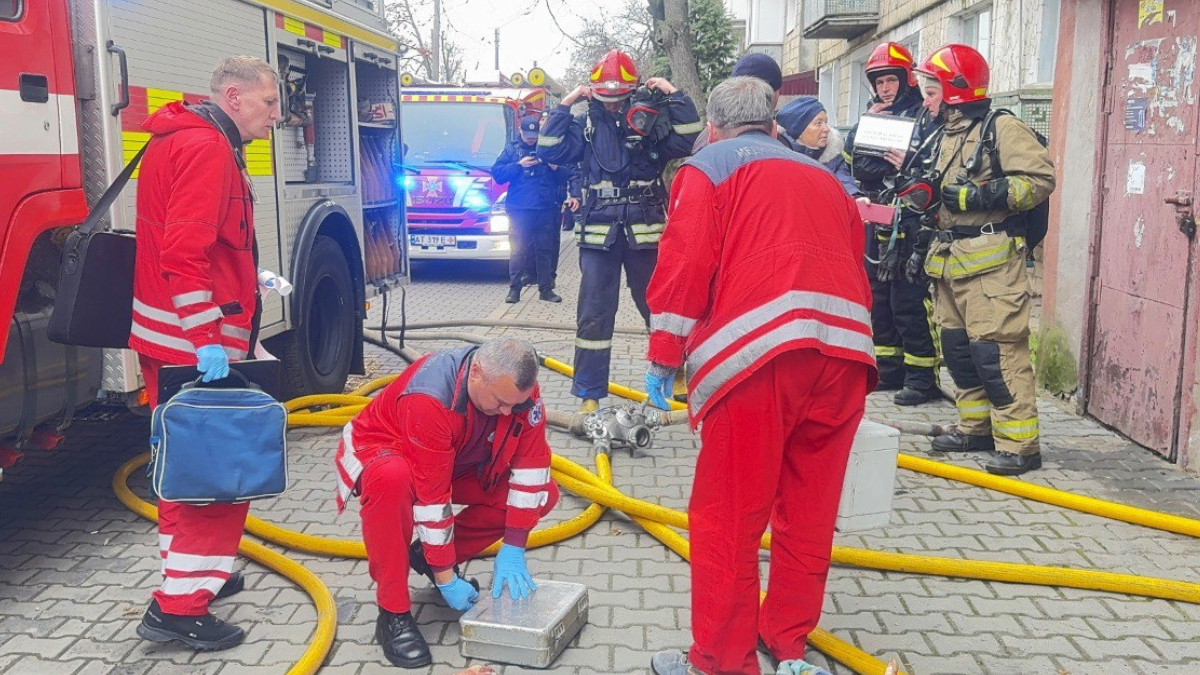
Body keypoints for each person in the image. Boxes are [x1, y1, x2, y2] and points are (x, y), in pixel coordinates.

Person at [642, 77, 876, 675]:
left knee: (729, 516)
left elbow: (686, 261)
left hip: (762, 358)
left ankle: (722, 660)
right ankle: (788, 643)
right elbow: (854, 261)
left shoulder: (709, 166)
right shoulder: (825, 177)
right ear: (775, 127)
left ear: (715, 128)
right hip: (846, 355)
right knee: (810, 510)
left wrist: (665, 352)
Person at [131, 56, 279, 652]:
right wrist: (208, 343)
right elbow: (183, 254)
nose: (276, 117)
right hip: (191, 343)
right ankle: (180, 608)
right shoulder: (209, 149)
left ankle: (193, 578)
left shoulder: (183, 138)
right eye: (270, 104)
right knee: (216, 479)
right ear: (236, 96)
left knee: (186, 472)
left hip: (171, 337)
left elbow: (200, 247)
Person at [333, 338, 559, 668]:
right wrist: (446, 577)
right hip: (389, 450)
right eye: (500, 403)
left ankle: (424, 557)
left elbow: (532, 465)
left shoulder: (518, 394)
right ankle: (392, 612)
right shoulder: (431, 397)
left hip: (458, 461)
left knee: (545, 493)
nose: (508, 412)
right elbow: (432, 498)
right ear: (477, 373)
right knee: (391, 480)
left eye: (516, 405)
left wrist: (514, 546)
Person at [914, 44, 1055, 476]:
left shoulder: (1002, 128)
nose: (926, 99)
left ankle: (1020, 446)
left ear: (956, 89)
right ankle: (974, 428)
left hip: (992, 267)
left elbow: (1040, 179)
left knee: (997, 354)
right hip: (950, 262)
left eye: (932, 90)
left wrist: (982, 195)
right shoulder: (947, 132)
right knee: (958, 352)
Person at [536, 49, 702, 413]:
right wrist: (565, 105)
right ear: (593, 93)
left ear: (632, 92)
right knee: (594, 313)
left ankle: (673, 373)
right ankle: (590, 393)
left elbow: (691, 138)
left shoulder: (650, 124)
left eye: (619, 98)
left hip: (644, 231)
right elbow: (547, 148)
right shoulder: (584, 126)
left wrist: (674, 95)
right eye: (604, 98)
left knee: (659, 309)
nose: (612, 106)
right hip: (599, 235)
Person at [845, 42, 941, 406]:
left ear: (906, 80)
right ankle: (889, 368)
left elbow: (925, 169)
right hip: (879, 215)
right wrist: (865, 128)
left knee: (909, 298)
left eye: (891, 80)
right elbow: (859, 167)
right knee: (879, 297)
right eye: (879, 81)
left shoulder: (927, 116)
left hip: (913, 219)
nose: (885, 88)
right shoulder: (871, 118)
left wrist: (901, 164)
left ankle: (922, 377)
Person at [491, 115, 567, 303]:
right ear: (520, 131)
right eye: (528, 135)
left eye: (534, 135)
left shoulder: (547, 149)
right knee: (517, 250)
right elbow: (498, 174)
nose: (531, 139)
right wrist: (519, 165)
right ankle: (514, 290)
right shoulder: (512, 149)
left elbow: (567, 174)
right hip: (519, 209)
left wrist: (555, 167)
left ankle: (546, 289)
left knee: (544, 251)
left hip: (544, 208)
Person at [776, 96, 859, 195]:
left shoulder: (832, 154)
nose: (826, 129)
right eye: (818, 123)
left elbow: (844, 181)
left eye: (826, 122)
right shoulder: (778, 155)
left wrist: (855, 196)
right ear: (798, 130)